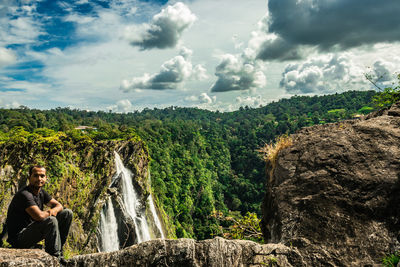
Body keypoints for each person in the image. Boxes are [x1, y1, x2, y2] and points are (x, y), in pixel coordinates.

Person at [5, 165, 73, 262]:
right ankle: (54, 258)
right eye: (35, 175)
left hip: (31, 232)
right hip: (19, 238)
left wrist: (52, 211)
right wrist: (50, 212)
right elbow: (39, 216)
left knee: (67, 213)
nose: (39, 179)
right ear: (29, 178)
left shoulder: (41, 192)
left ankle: (59, 252)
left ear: (46, 178)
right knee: (51, 221)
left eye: (42, 176)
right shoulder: (25, 195)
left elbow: (59, 205)